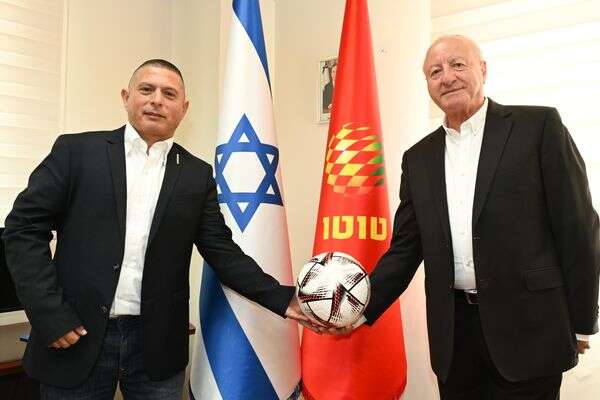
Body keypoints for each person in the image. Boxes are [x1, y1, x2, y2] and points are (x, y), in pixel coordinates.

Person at [2, 59, 312, 400]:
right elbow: (22, 229)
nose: (156, 100)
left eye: (169, 94)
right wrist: (49, 312)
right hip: (76, 334)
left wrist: (284, 298)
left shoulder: (197, 175)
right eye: (146, 89)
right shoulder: (76, 152)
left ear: (184, 108)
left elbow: (222, 251)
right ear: (126, 97)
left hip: (157, 346)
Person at [331, 35, 600, 399]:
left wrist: (582, 320)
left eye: (457, 65)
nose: (447, 77)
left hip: (529, 331)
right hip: (455, 340)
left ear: (482, 70)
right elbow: (405, 250)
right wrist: (357, 310)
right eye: (435, 71)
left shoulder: (537, 127)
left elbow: (578, 228)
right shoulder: (418, 158)